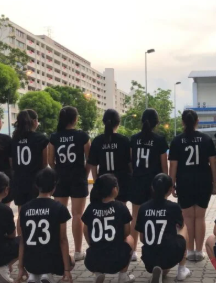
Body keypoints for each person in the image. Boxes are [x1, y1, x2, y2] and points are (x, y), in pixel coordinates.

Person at [169, 110, 216, 262]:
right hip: (204, 181)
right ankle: (199, 251)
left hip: (184, 182)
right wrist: (215, 184)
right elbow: (213, 164)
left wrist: (171, 184)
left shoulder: (177, 140)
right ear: (197, 121)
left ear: (182, 122)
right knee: (200, 217)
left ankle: (189, 251)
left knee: (188, 217)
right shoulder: (206, 139)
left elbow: (173, 166)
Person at [15, 168, 73, 283]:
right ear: (54, 187)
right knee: (71, 259)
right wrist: (67, 269)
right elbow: (63, 240)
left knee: (34, 250)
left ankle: (34, 275)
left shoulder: (25, 208)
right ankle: (48, 274)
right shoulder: (59, 208)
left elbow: (22, 240)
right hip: (52, 261)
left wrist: (21, 267)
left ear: (37, 186)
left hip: (30, 263)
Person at [48, 106, 91, 262]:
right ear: (75, 119)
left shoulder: (54, 137)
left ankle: (59, 249)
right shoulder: (82, 136)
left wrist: (59, 171)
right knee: (77, 215)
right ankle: (78, 251)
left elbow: (50, 161)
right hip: (78, 178)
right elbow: (89, 159)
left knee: (59, 215)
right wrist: (84, 173)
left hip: (60, 179)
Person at [135, 173, 190, 283]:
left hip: (148, 257)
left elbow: (142, 238)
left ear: (152, 188)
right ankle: (182, 269)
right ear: (170, 190)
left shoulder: (143, 207)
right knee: (183, 227)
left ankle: (159, 269)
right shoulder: (173, 207)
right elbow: (180, 225)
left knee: (161, 259)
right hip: (169, 254)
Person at [82, 174, 135, 283]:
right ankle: (123, 277)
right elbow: (127, 232)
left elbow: (85, 231)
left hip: (92, 259)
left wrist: (93, 244)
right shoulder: (121, 207)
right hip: (116, 259)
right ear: (114, 189)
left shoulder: (91, 207)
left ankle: (98, 273)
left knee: (96, 246)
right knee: (130, 239)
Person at [129, 109, 168, 261]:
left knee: (135, 217)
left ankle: (132, 251)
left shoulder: (134, 139)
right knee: (155, 216)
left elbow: (130, 162)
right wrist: (166, 184)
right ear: (156, 123)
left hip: (137, 181)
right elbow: (164, 165)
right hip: (154, 184)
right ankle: (154, 248)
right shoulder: (159, 140)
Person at [11, 110, 49, 235]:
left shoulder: (14, 139)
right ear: (34, 121)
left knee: (21, 213)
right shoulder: (41, 138)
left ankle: (21, 242)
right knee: (36, 212)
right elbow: (45, 163)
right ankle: (35, 241)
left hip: (18, 180)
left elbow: (11, 162)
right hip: (35, 181)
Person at [87, 109, 132, 203]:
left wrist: (96, 181)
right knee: (121, 209)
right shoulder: (124, 140)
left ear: (103, 122)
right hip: (121, 182)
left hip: (103, 181)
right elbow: (130, 163)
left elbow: (93, 164)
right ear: (118, 123)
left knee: (104, 209)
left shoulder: (97, 141)